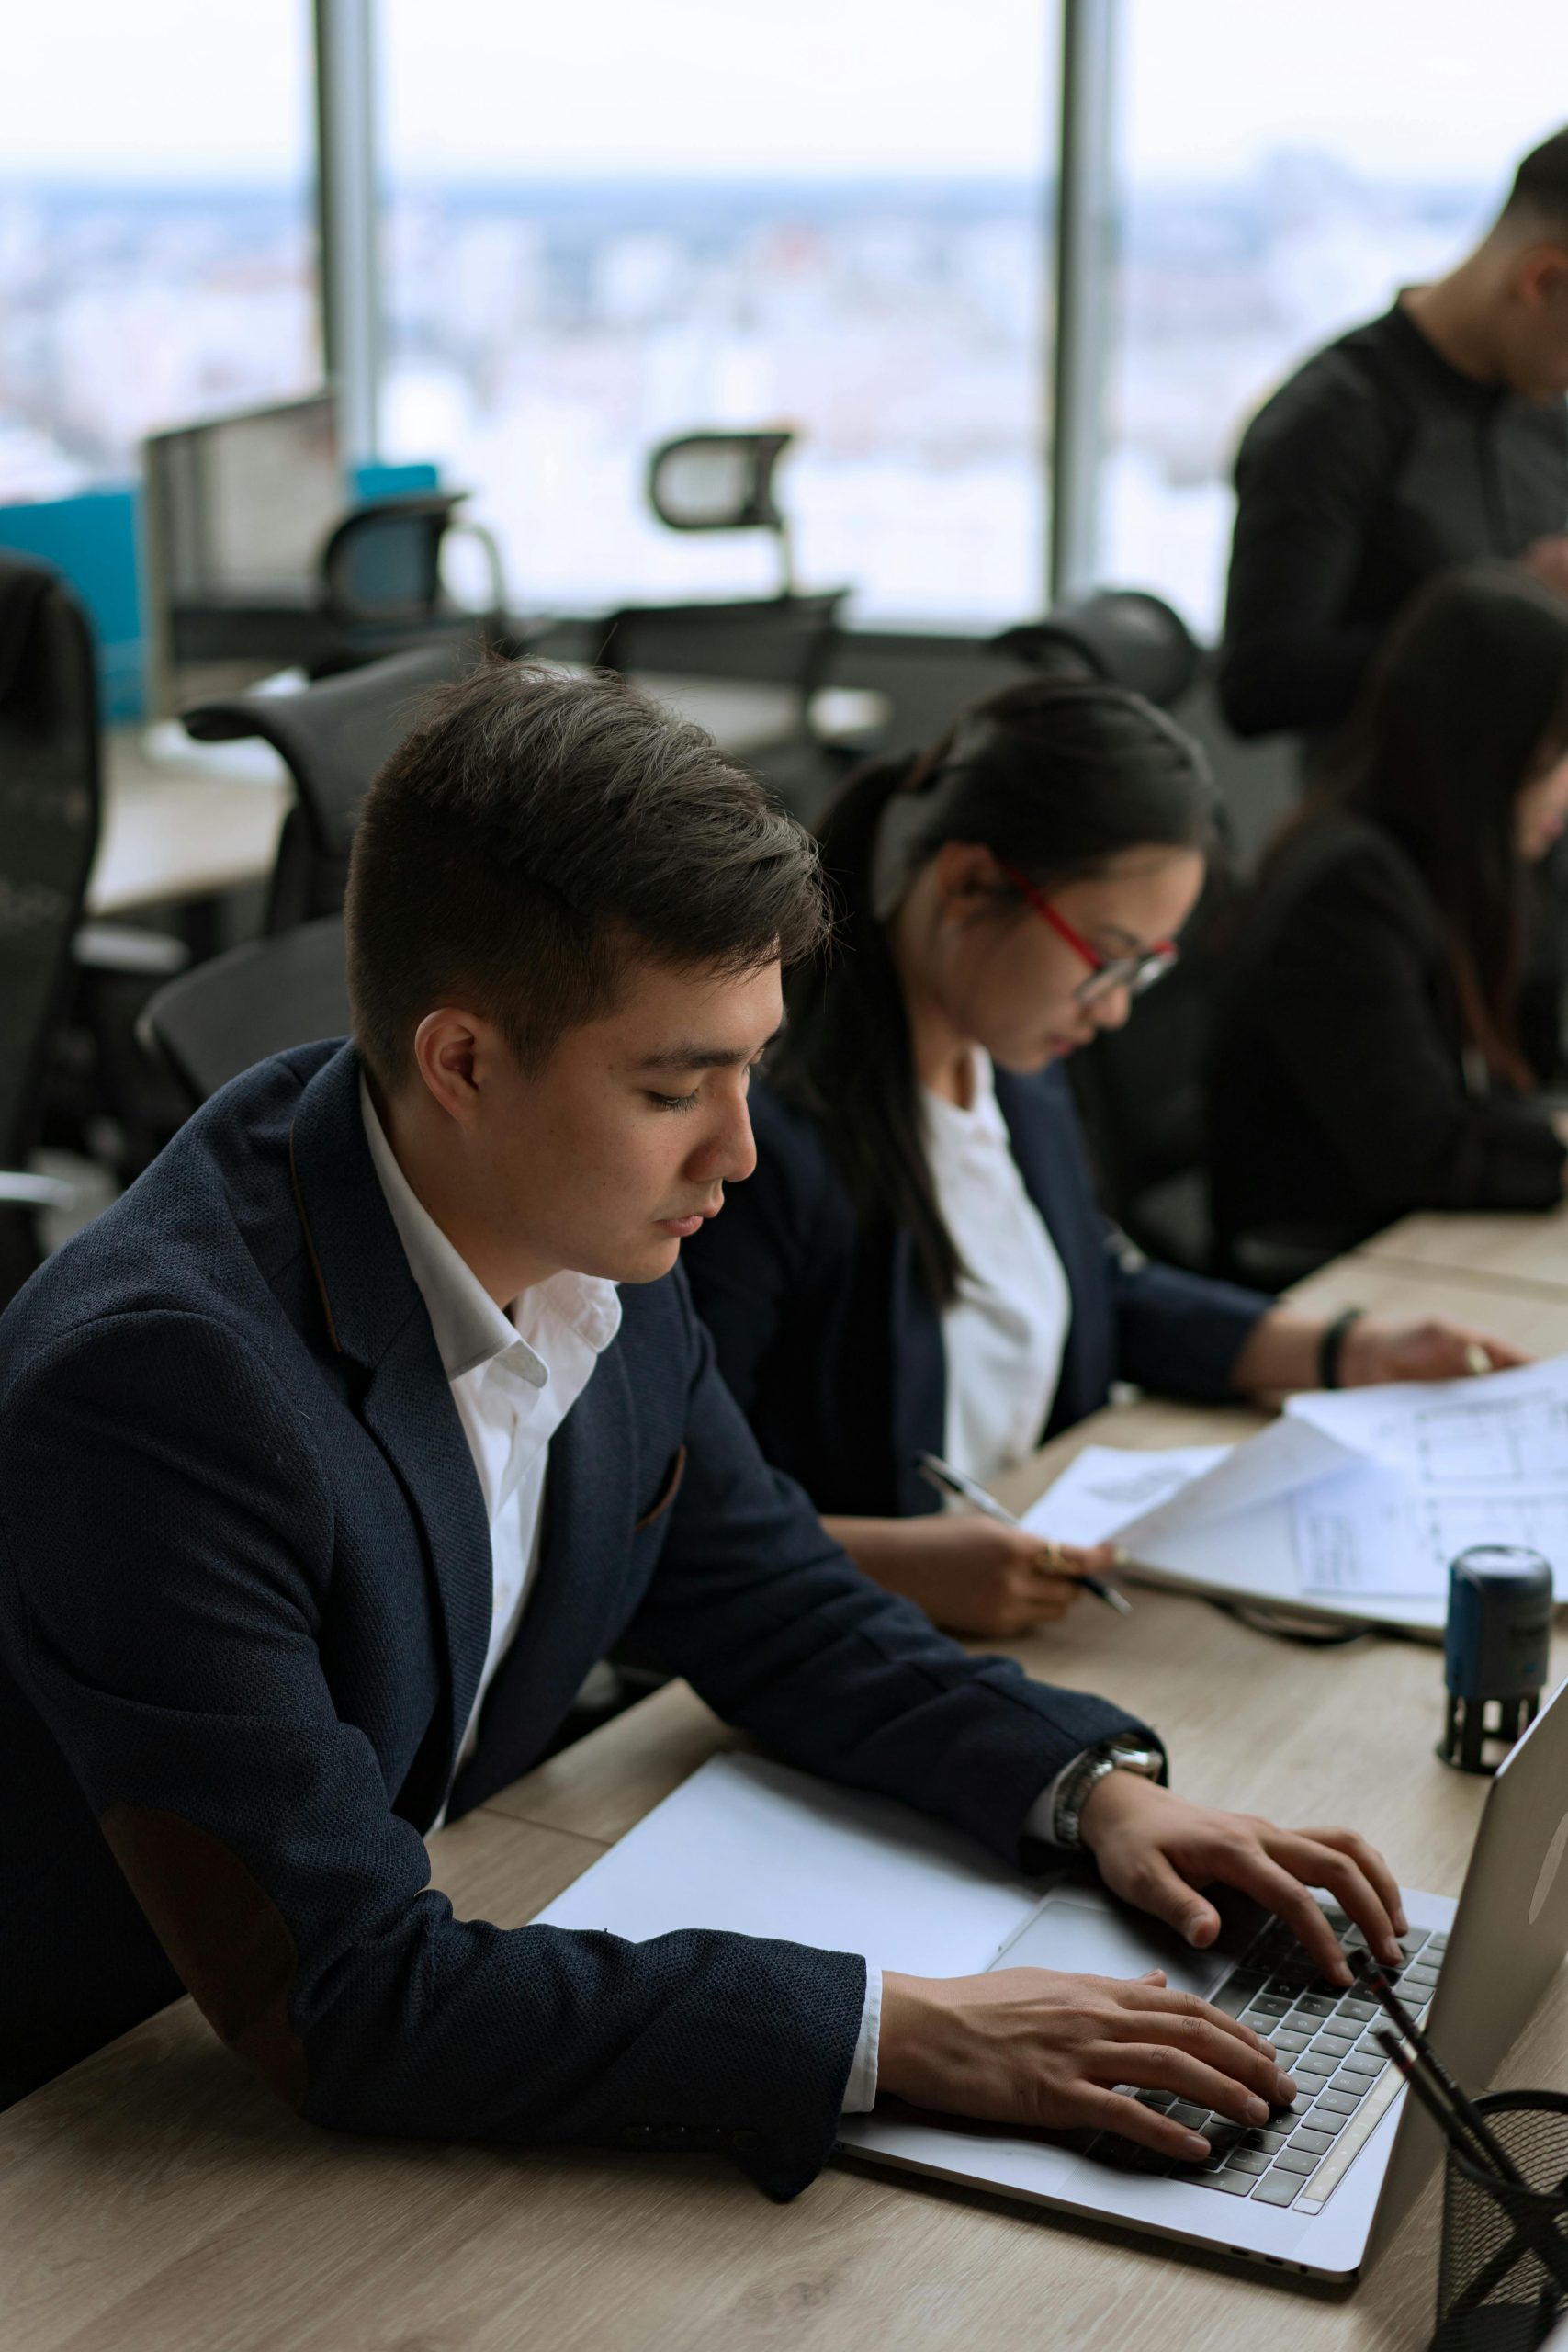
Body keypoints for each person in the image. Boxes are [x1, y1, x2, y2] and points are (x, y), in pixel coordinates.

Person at [0, 662, 1410, 2195]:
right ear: (462, 1060)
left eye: (753, 1069)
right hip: (100, 2131)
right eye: (679, 1085)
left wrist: (1092, 1794)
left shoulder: (590, 1230)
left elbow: (762, 1588)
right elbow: (346, 1999)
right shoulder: (167, 1395)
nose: (738, 1152)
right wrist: (904, 2033)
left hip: (427, 1965)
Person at [682, 677, 1519, 1643]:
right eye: (1107, 956)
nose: (1117, 1007)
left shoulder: (1011, 1063)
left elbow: (1094, 1285)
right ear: (964, 883)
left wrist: (1344, 1349)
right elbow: (676, 1511)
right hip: (841, 1646)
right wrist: (899, 1568)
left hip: (1024, 1606)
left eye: (1148, 968)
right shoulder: (761, 1148)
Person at [1207, 565, 1568, 1262]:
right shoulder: (1351, 892)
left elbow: (1523, 1055)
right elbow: (1423, 1152)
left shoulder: (1451, 865)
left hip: (1422, 1245)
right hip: (1335, 1261)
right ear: (1486, 747)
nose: (1563, 788)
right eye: (1553, 755)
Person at [1218, 124, 1568, 745]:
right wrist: (1509, 606)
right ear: (1539, 281)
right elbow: (1258, 685)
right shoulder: (1330, 420)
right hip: (1398, 833)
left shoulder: (1546, 408)